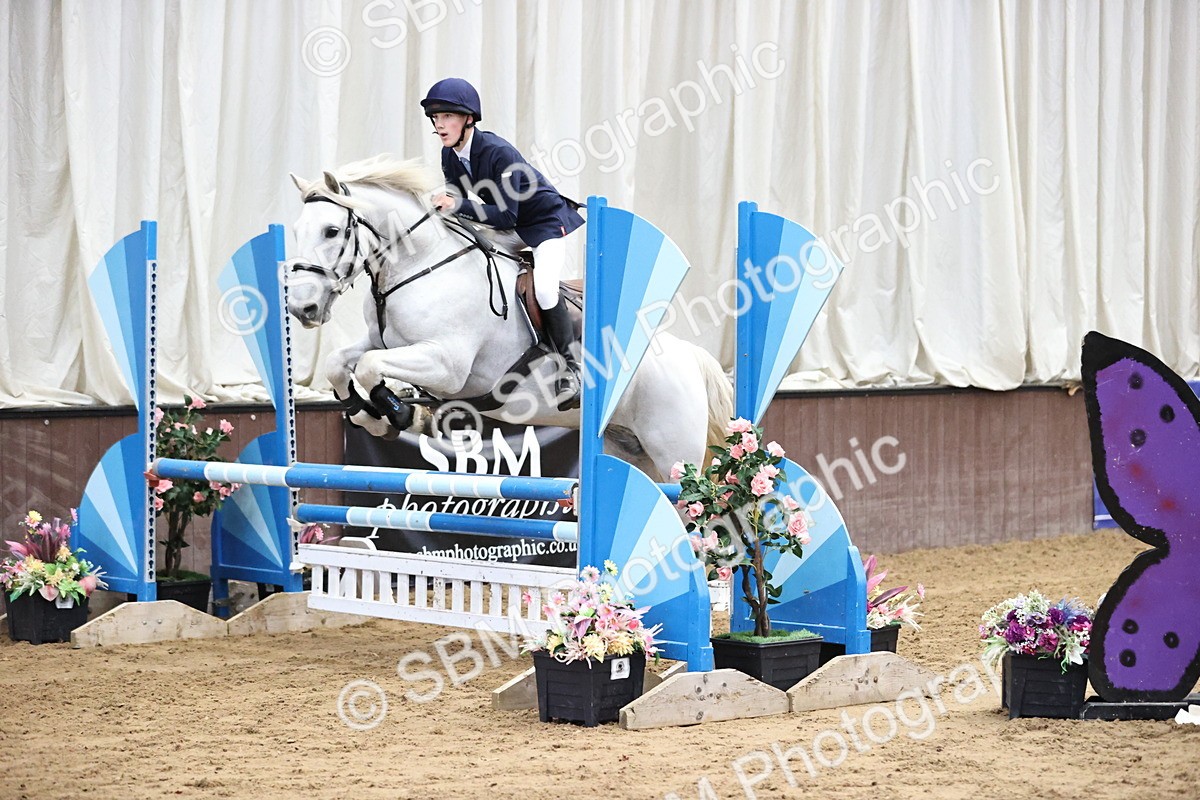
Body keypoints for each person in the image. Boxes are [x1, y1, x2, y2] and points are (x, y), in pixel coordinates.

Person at [422, 77, 585, 410]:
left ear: (468, 119)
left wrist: (457, 206)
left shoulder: (499, 153)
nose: (440, 125)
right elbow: (454, 191)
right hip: (510, 224)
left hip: (543, 225)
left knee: (545, 290)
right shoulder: (450, 154)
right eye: (436, 118)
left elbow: (507, 216)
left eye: (447, 116)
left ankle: (570, 368)